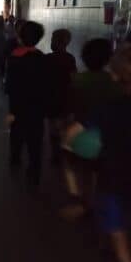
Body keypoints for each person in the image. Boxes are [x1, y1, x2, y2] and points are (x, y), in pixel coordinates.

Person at [65, 44, 131, 262]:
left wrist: (71, 147)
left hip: (114, 176)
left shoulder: (109, 107)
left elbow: (72, 136)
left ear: (116, 76)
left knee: (116, 229)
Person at [61, 38, 121, 219]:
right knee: (97, 168)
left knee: (69, 162)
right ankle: (95, 200)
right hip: (107, 136)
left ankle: (76, 196)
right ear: (108, 59)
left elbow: (69, 107)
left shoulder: (77, 80)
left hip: (81, 134)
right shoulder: (113, 81)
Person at [6, 21, 46, 188]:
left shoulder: (14, 57)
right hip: (37, 108)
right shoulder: (42, 58)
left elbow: (10, 86)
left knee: (16, 132)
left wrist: (12, 109)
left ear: (20, 38)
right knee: (35, 141)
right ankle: (34, 173)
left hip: (18, 106)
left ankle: (15, 157)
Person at [45, 29, 77, 166]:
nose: (51, 41)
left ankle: (55, 155)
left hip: (52, 98)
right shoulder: (70, 58)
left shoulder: (47, 58)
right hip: (66, 98)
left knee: (53, 128)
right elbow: (73, 78)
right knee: (66, 126)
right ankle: (66, 153)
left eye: (53, 38)